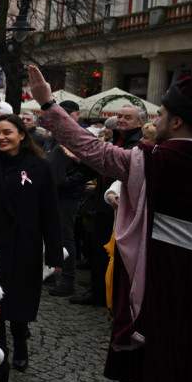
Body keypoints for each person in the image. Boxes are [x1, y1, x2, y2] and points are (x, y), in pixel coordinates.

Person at [29, 65, 192, 382]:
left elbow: (91, 149)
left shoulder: (157, 158)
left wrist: (49, 104)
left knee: (157, 358)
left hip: (162, 271)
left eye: (159, 115)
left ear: (177, 119)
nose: (154, 120)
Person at [0, 114, 63, 382]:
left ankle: (21, 341)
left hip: (26, 244)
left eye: (7, 132)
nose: (1, 138)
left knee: (21, 302)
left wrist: (56, 255)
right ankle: (0, 363)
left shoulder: (40, 167)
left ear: (22, 134)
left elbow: (50, 212)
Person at [71, 104, 144, 308]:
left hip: (121, 207)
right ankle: (98, 291)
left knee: (112, 252)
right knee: (99, 249)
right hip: (103, 204)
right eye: (119, 116)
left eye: (127, 117)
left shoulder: (138, 144)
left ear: (141, 122)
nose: (121, 120)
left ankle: (106, 294)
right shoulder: (115, 140)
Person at [45, 100, 97, 298]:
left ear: (74, 115)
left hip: (67, 196)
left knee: (66, 237)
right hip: (52, 193)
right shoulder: (55, 135)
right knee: (51, 234)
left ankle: (67, 281)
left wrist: (68, 181)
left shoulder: (81, 136)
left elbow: (90, 167)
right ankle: (50, 272)